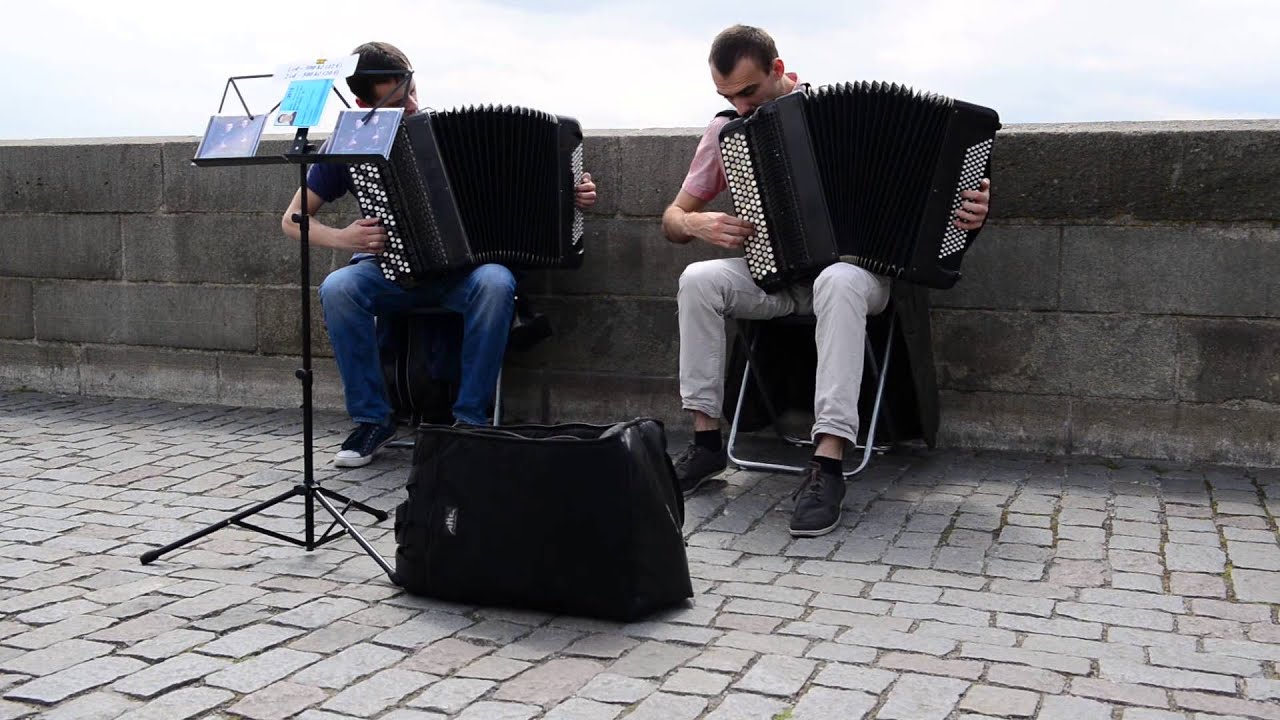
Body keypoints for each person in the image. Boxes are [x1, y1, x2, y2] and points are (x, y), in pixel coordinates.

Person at [661, 25, 991, 537]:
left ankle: (828, 462)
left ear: (777, 70)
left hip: (862, 279)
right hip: (777, 277)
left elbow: (942, 197)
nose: (740, 106)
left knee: (837, 277)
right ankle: (705, 445)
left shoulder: (843, 116)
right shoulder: (726, 129)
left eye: (748, 91)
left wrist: (971, 210)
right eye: (727, 96)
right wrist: (695, 223)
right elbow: (672, 218)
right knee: (698, 279)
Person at [282, 41, 598, 467]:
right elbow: (293, 219)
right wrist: (346, 238)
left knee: (496, 281)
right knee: (339, 288)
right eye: (398, 100)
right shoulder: (350, 144)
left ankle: (470, 422)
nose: (412, 105)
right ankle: (372, 420)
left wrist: (572, 193)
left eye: (413, 92)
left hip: (462, 278)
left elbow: (537, 189)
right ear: (361, 103)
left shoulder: (446, 132)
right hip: (390, 274)